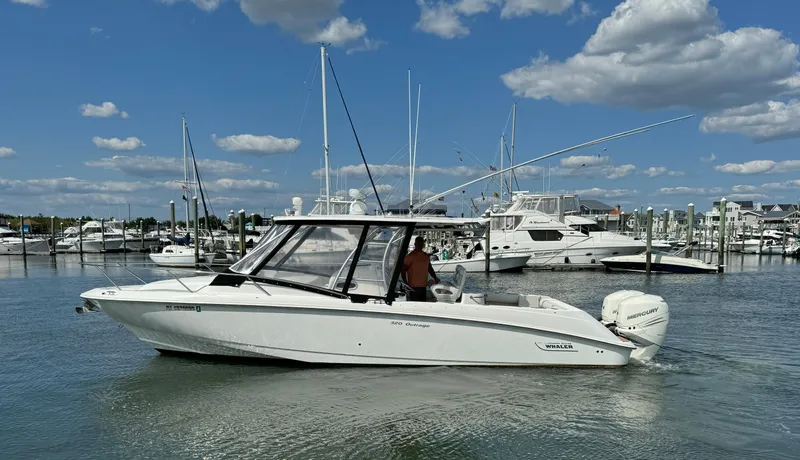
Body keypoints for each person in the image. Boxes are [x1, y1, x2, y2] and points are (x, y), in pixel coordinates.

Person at [402, 236, 440, 302]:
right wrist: (405, 282)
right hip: (413, 288)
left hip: (423, 287)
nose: (420, 245)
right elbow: (402, 270)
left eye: (421, 243)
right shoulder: (410, 257)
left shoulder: (426, 256)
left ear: (423, 245)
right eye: (418, 243)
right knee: (415, 306)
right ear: (415, 244)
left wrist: (435, 277)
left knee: (422, 305)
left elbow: (430, 268)